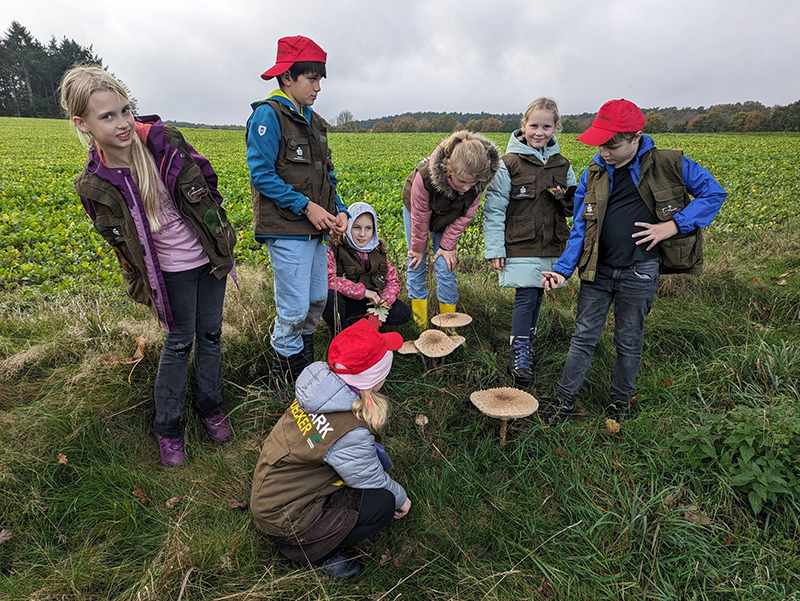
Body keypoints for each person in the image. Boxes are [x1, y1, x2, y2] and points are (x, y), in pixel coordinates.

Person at [60, 66, 237, 467]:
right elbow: (118, 242)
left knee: (210, 335)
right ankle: (168, 427)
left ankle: (210, 406)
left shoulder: (164, 141)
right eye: (107, 116)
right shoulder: (95, 185)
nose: (123, 122)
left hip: (209, 258)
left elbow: (206, 179)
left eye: (125, 110)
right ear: (82, 124)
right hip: (168, 273)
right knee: (179, 343)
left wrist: (216, 224)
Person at [541, 99, 726, 422]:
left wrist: (674, 225)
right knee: (583, 337)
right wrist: (562, 271)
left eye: (612, 143)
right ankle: (563, 402)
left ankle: (619, 405)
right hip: (597, 271)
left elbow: (714, 194)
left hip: (640, 272)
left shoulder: (670, 163)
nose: (604, 151)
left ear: (636, 137)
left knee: (628, 340)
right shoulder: (593, 174)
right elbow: (581, 230)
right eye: (600, 143)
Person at [250, 319, 411, 579]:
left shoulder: (321, 391)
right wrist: (401, 498)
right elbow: (369, 479)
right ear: (375, 377)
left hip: (272, 496)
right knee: (383, 503)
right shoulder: (350, 431)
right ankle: (311, 551)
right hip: (287, 519)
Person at [246, 35, 349, 382]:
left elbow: (327, 176)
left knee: (317, 300)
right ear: (287, 77)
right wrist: (307, 207)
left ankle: (305, 371)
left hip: (314, 231)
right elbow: (262, 176)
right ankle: (285, 381)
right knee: (293, 310)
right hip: (286, 229)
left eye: (320, 79)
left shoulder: (314, 121)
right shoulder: (269, 115)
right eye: (311, 79)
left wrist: (341, 210)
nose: (318, 87)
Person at [483, 98, 577, 383]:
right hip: (520, 242)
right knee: (525, 295)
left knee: (538, 293)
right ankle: (519, 350)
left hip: (552, 243)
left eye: (546, 126)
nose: (540, 132)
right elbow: (494, 208)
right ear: (523, 126)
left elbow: (574, 206)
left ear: (556, 127)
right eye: (534, 125)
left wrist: (567, 198)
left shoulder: (562, 164)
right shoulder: (508, 164)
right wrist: (495, 249)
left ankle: (528, 340)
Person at [402, 131, 500, 327]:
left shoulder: (478, 182)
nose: (466, 188)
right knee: (416, 263)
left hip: (451, 215)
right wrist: (419, 250)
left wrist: (447, 247)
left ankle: (449, 327)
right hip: (417, 210)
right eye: (462, 182)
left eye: (471, 184)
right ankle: (420, 326)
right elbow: (420, 219)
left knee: (446, 265)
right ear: (448, 170)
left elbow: (465, 217)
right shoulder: (424, 178)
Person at [323, 202, 412, 332]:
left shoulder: (377, 250)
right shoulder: (335, 246)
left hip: (369, 303)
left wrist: (384, 300)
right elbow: (328, 280)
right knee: (329, 297)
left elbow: (393, 280)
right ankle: (341, 331)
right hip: (346, 303)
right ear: (348, 226)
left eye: (368, 228)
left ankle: (364, 325)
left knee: (403, 312)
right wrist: (362, 292)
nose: (362, 234)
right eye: (357, 227)